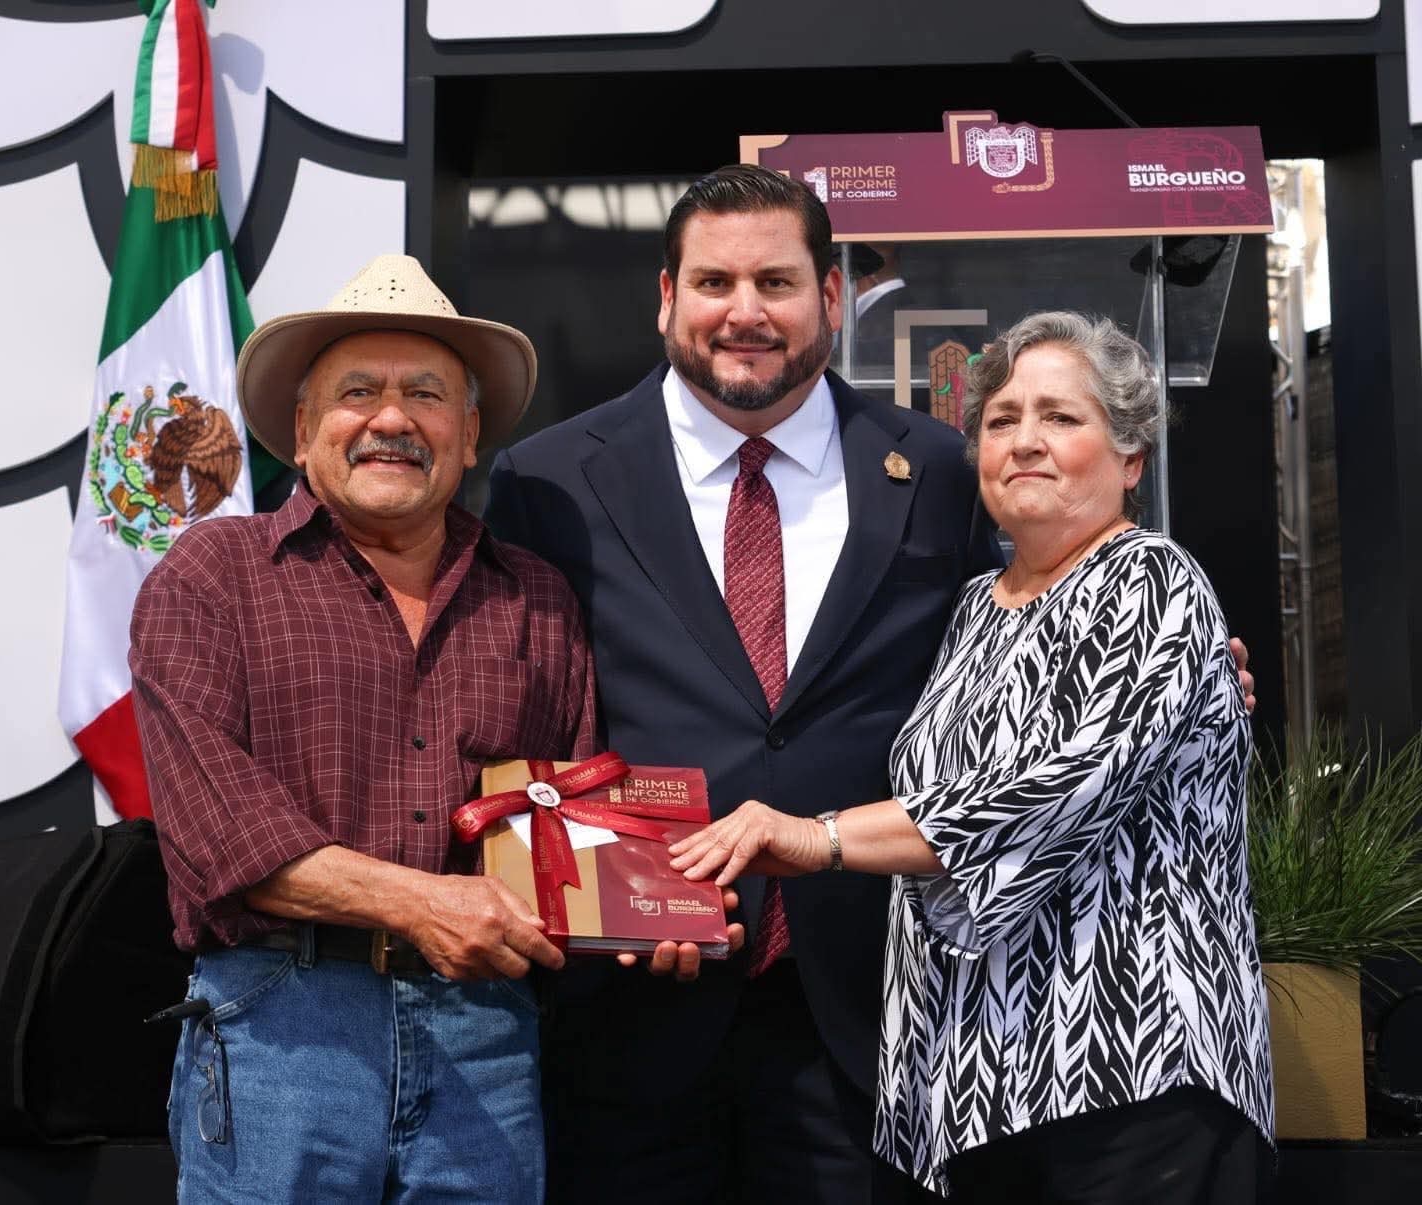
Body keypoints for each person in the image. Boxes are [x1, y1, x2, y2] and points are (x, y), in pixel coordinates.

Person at [484, 164, 1003, 1202]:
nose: (745, 312)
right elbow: (519, 712)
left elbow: (1004, 650)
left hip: (868, 1003)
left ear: (831, 297)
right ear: (667, 298)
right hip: (628, 1011)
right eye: (714, 282)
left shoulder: (938, 468)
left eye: (775, 281)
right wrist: (597, 903)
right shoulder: (548, 479)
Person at [671, 311, 1275, 1202]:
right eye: (1001, 419)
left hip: (1132, 1076)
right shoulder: (967, 613)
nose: (1026, 440)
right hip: (974, 1091)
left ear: (1130, 457)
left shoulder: (1153, 580)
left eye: (1062, 418)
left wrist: (817, 837)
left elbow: (1041, 791)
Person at [130, 254, 595, 1202]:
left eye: (425, 394)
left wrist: (638, 914)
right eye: (358, 393)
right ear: (303, 434)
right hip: (279, 1024)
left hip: (485, 1037)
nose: (392, 419)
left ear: (468, 437)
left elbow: (573, 823)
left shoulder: (538, 600)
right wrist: (422, 904)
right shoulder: (212, 576)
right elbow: (223, 838)